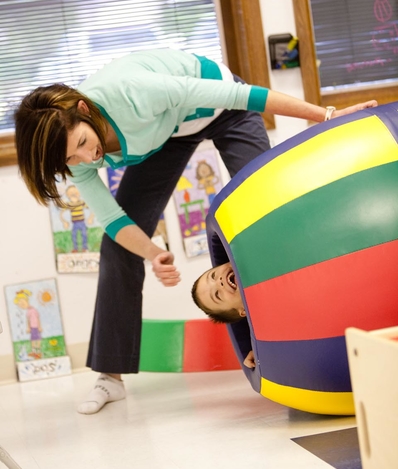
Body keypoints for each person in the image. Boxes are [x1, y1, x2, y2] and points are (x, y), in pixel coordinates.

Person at [14, 48, 377, 414]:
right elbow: (113, 218)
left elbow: (242, 95)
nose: (85, 159)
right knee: (117, 248)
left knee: (265, 223)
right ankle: (110, 376)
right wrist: (153, 253)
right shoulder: (70, 155)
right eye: (70, 159)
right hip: (168, 135)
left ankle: (290, 338)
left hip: (222, 108)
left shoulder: (133, 92)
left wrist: (326, 115)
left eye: (81, 144)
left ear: (82, 110)